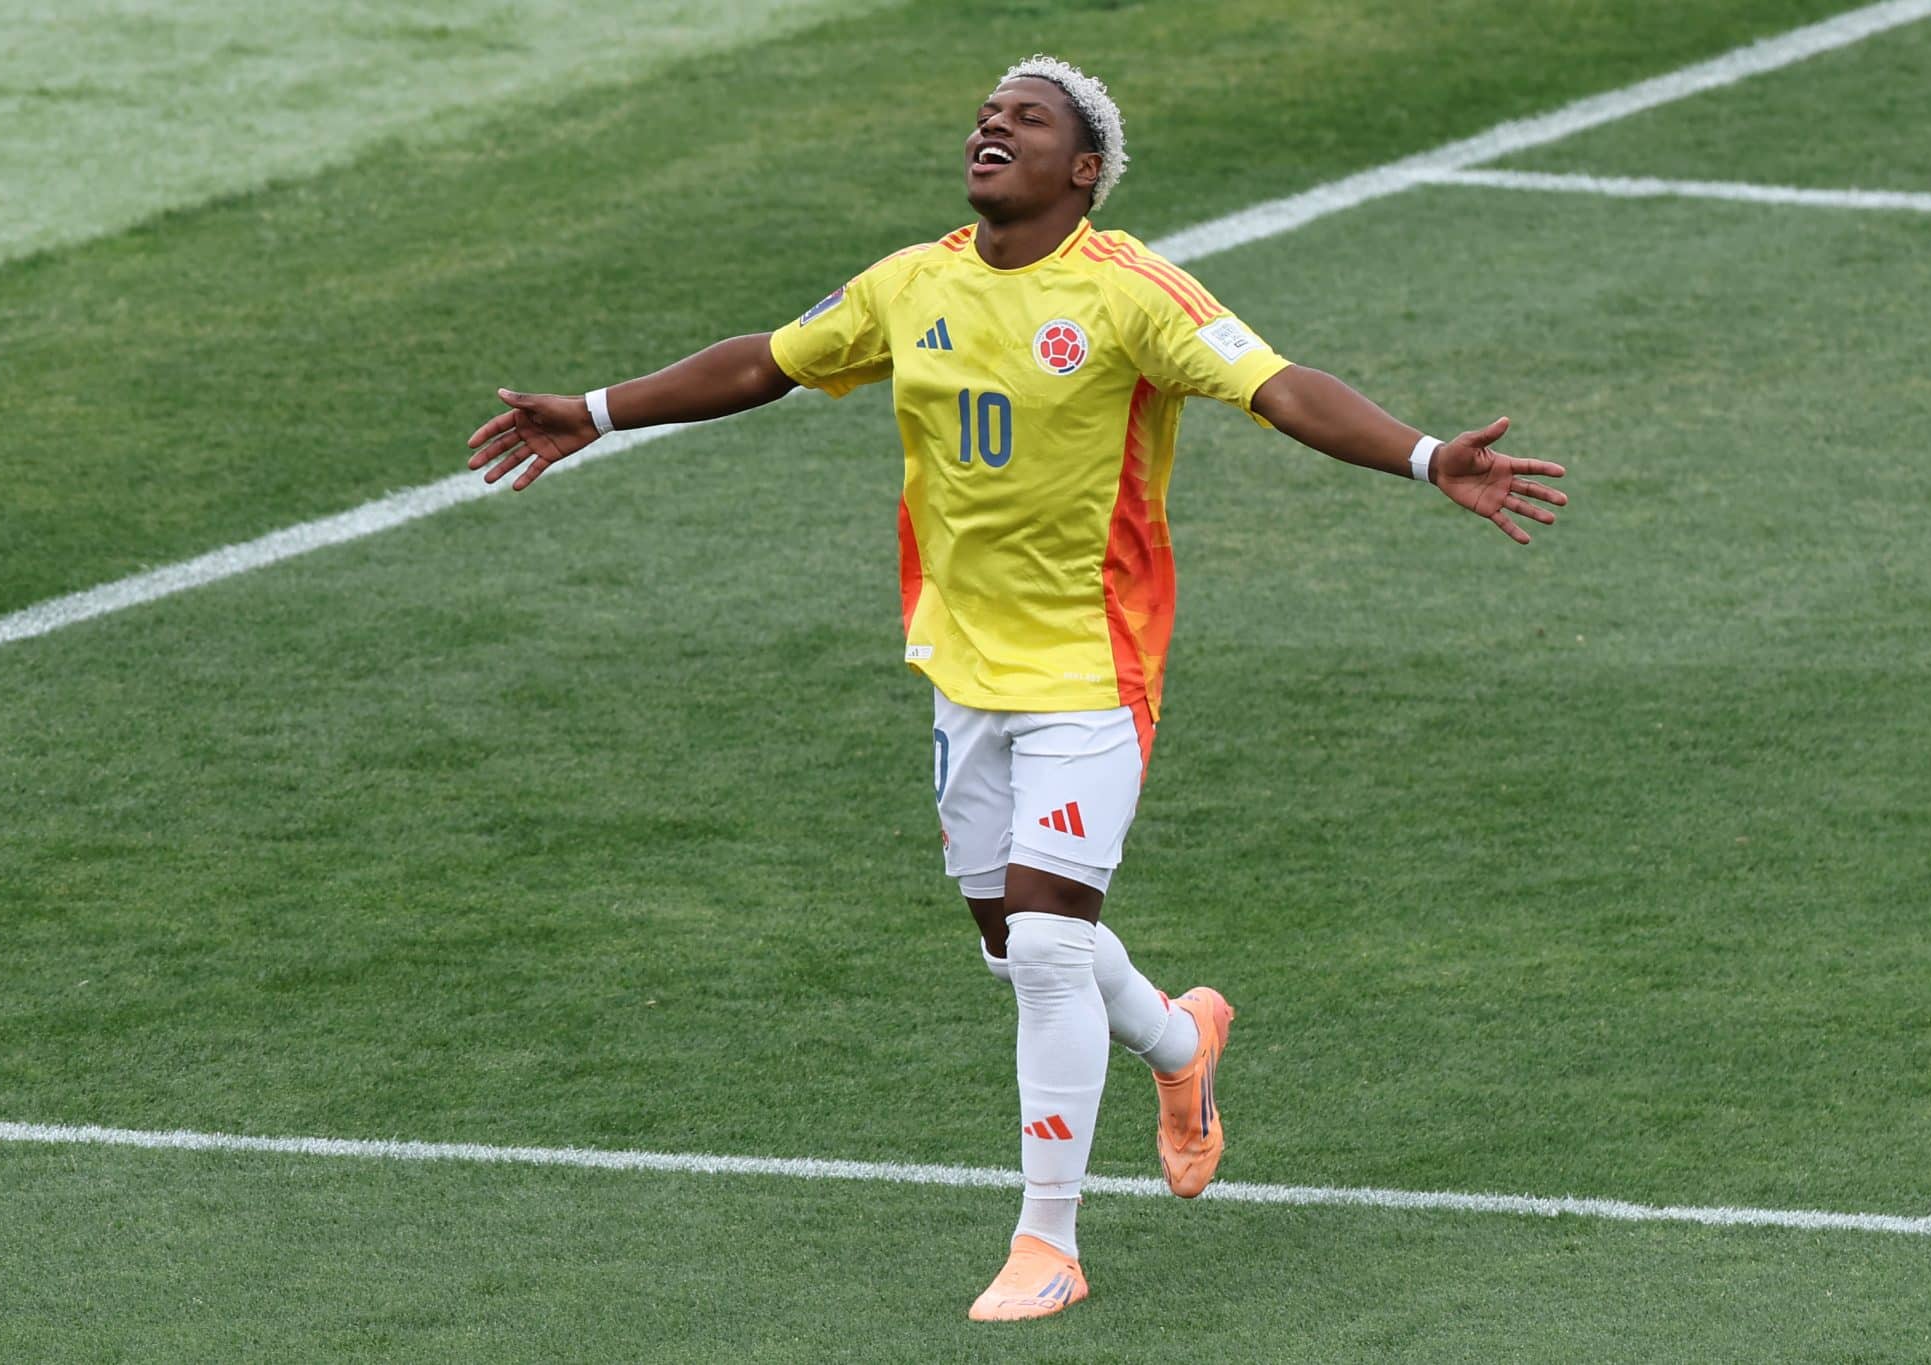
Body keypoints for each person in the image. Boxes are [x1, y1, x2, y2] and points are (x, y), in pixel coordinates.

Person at [465, 54, 1567, 1322]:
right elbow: (764, 362)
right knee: (1013, 949)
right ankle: (1176, 1041)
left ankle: (1047, 1243)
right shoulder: (909, 283)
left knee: (1045, 944)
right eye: (986, 114)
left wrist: (1427, 458)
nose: (991, 126)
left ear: (1081, 169)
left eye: (1026, 120)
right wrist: (596, 412)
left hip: (1092, 667)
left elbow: (1279, 387)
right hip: (960, 667)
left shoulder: (1128, 294)